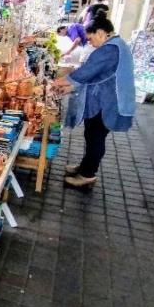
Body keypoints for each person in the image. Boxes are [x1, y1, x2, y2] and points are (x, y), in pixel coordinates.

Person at [52, 13, 136, 188]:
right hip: (107, 97)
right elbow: (97, 77)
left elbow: (87, 72)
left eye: (90, 38)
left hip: (108, 103)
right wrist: (68, 87)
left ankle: (87, 175)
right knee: (92, 136)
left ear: (100, 32)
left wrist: (56, 82)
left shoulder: (110, 49)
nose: (90, 43)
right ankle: (85, 167)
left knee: (96, 137)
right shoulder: (117, 45)